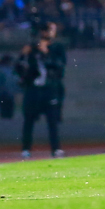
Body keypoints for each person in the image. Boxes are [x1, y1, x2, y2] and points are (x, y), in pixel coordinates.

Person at [20, 21, 66, 158]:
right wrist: (24, 54)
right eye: (48, 30)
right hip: (33, 88)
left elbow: (60, 67)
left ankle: (56, 148)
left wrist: (46, 53)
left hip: (49, 88)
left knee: (52, 120)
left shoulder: (57, 48)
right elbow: (21, 67)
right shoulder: (32, 48)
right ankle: (26, 148)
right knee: (29, 120)